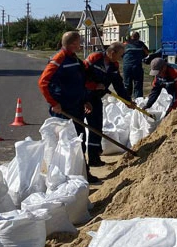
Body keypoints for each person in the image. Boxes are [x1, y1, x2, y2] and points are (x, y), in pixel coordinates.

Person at [37, 31, 98, 184]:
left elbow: (78, 83)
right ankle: (59, 177)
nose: (81, 44)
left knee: (78, 142)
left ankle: (82, 173)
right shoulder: (59, 59)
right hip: (64, 110)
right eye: (79, 42)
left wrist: (85, 100)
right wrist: (54, 103)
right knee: (65, 144)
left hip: (76, 107)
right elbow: (43, 83)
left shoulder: (74, 59)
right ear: (72, 44)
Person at [84, 42, 135, 169]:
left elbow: (119, 86)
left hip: (96, 98)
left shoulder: (114, 66)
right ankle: (80, 162)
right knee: (81, 128)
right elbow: (80, 77)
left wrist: (127, 101)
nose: (121, 58)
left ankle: (94, 158)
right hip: (83, 97)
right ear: (112, 53)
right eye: (120, 55)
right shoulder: (94, 58)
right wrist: (93, 86)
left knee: (96, 127)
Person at [123, 31, 149, 99]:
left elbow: (120, 54)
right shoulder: (141, 44)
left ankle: (127, 100)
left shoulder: (125, 44)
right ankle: (138, 100)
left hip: (127, 66)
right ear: (138, 37)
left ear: (131, 37)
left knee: (127, 84)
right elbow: (147, 53)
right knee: (138, 85)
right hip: (137, 66)